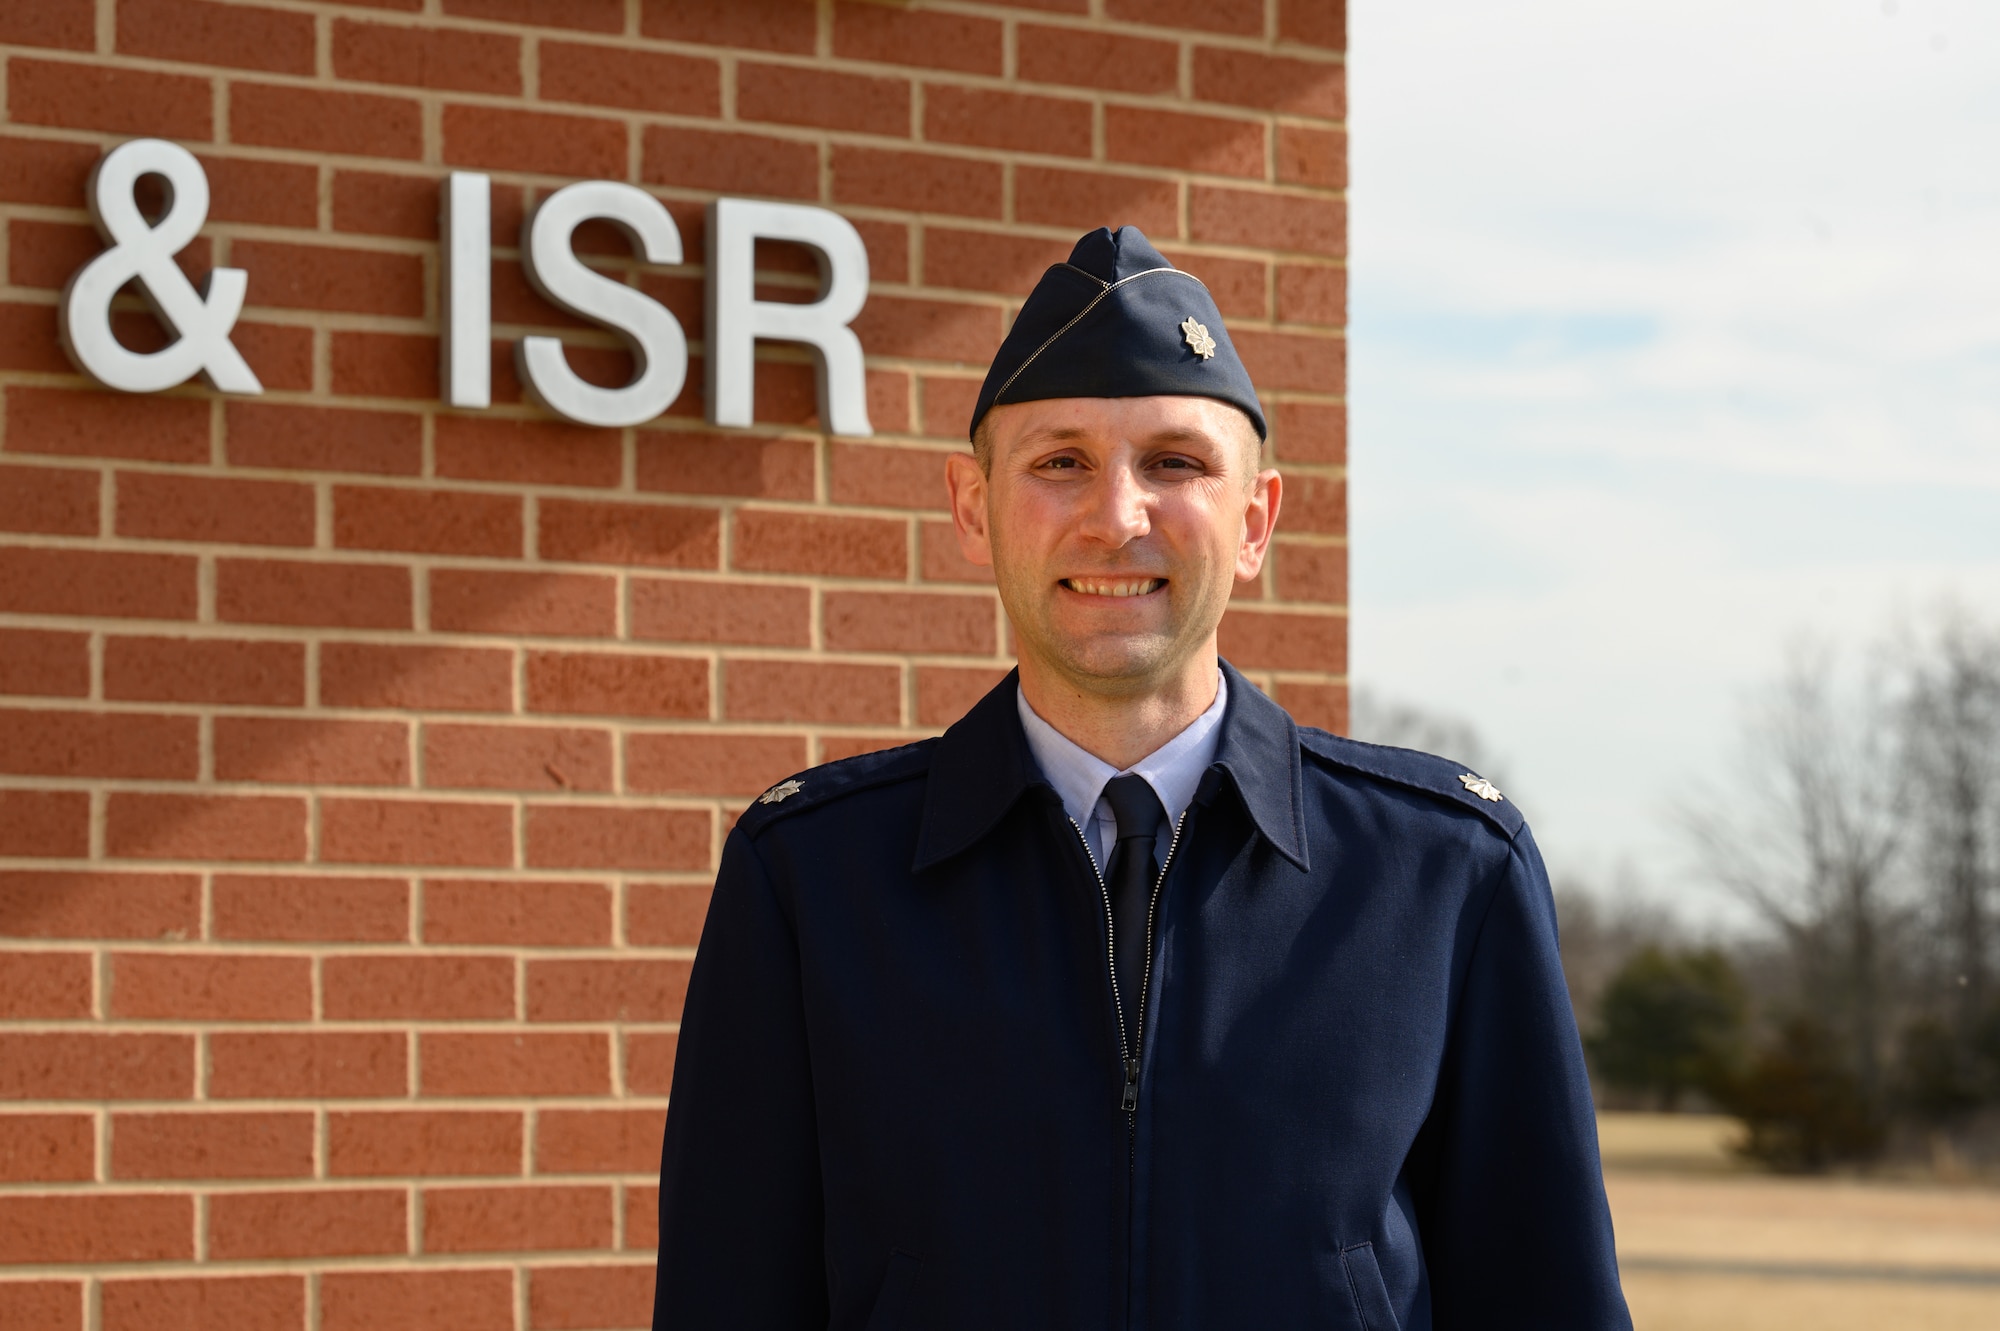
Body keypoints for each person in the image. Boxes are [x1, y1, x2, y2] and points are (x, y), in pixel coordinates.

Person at [651, 226, 1630, 1330]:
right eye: (1058, 460)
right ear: (972, 512)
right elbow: (724, 1296)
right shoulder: (812, 880)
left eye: (1174, 462)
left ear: (1254, 519)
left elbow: (1546, 1299)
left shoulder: (1443, 872)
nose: (1116, 518)